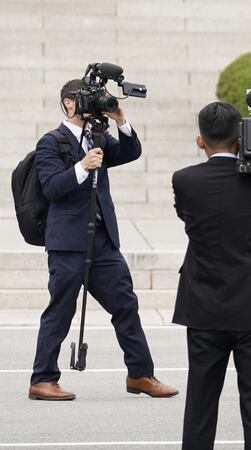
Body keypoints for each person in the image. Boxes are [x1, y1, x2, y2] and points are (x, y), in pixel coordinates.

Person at [29, 79, 178, 401]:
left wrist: (121, 119)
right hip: (68, 242)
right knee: (60, 309)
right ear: (69, 103)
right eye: (86, 101)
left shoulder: (98, 137)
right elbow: (52, 188)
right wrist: (82, 166)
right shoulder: (51, 142)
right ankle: (42, 379)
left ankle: (140, 374)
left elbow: (130, 152)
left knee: (126, 304)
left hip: (102, 240)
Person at [172, 102, 251, 449]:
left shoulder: (185, 180)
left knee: (200, 401)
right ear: (240, 139)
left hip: (203, 304)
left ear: (200, 141)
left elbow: (188, 218)